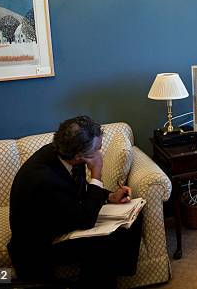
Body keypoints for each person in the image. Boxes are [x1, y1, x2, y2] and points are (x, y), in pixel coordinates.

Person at [8, 116, 140, 289]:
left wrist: (110, 197)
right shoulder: (44, 179)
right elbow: (85, 221)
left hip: (60, 218)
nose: (100, 154)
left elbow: (78, 189)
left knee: (132, 220)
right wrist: (97, 174)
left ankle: (115, 274)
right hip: (37, 248)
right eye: (98, 149)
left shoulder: (64, 154)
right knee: (104, 244)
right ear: (79, 155)